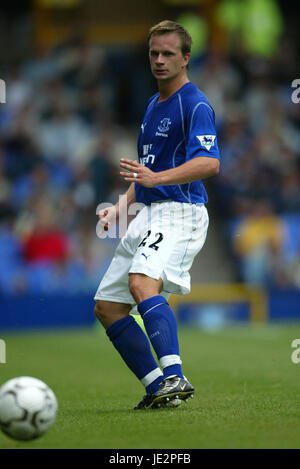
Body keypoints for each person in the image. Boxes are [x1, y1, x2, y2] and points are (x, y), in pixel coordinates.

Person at [94, 20, 221, 410]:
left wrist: (156, 178)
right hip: (149, 211)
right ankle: (157, 388)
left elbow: (210, 163)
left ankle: (175, 375)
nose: (160, 60)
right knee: (107, 307)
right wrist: (120, 207)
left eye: (168, 53)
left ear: (186, 58)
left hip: (180, 212)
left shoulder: (195, 103)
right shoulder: (152, 104)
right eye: (154, 53)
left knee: (141, 283)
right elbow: (144, 171)